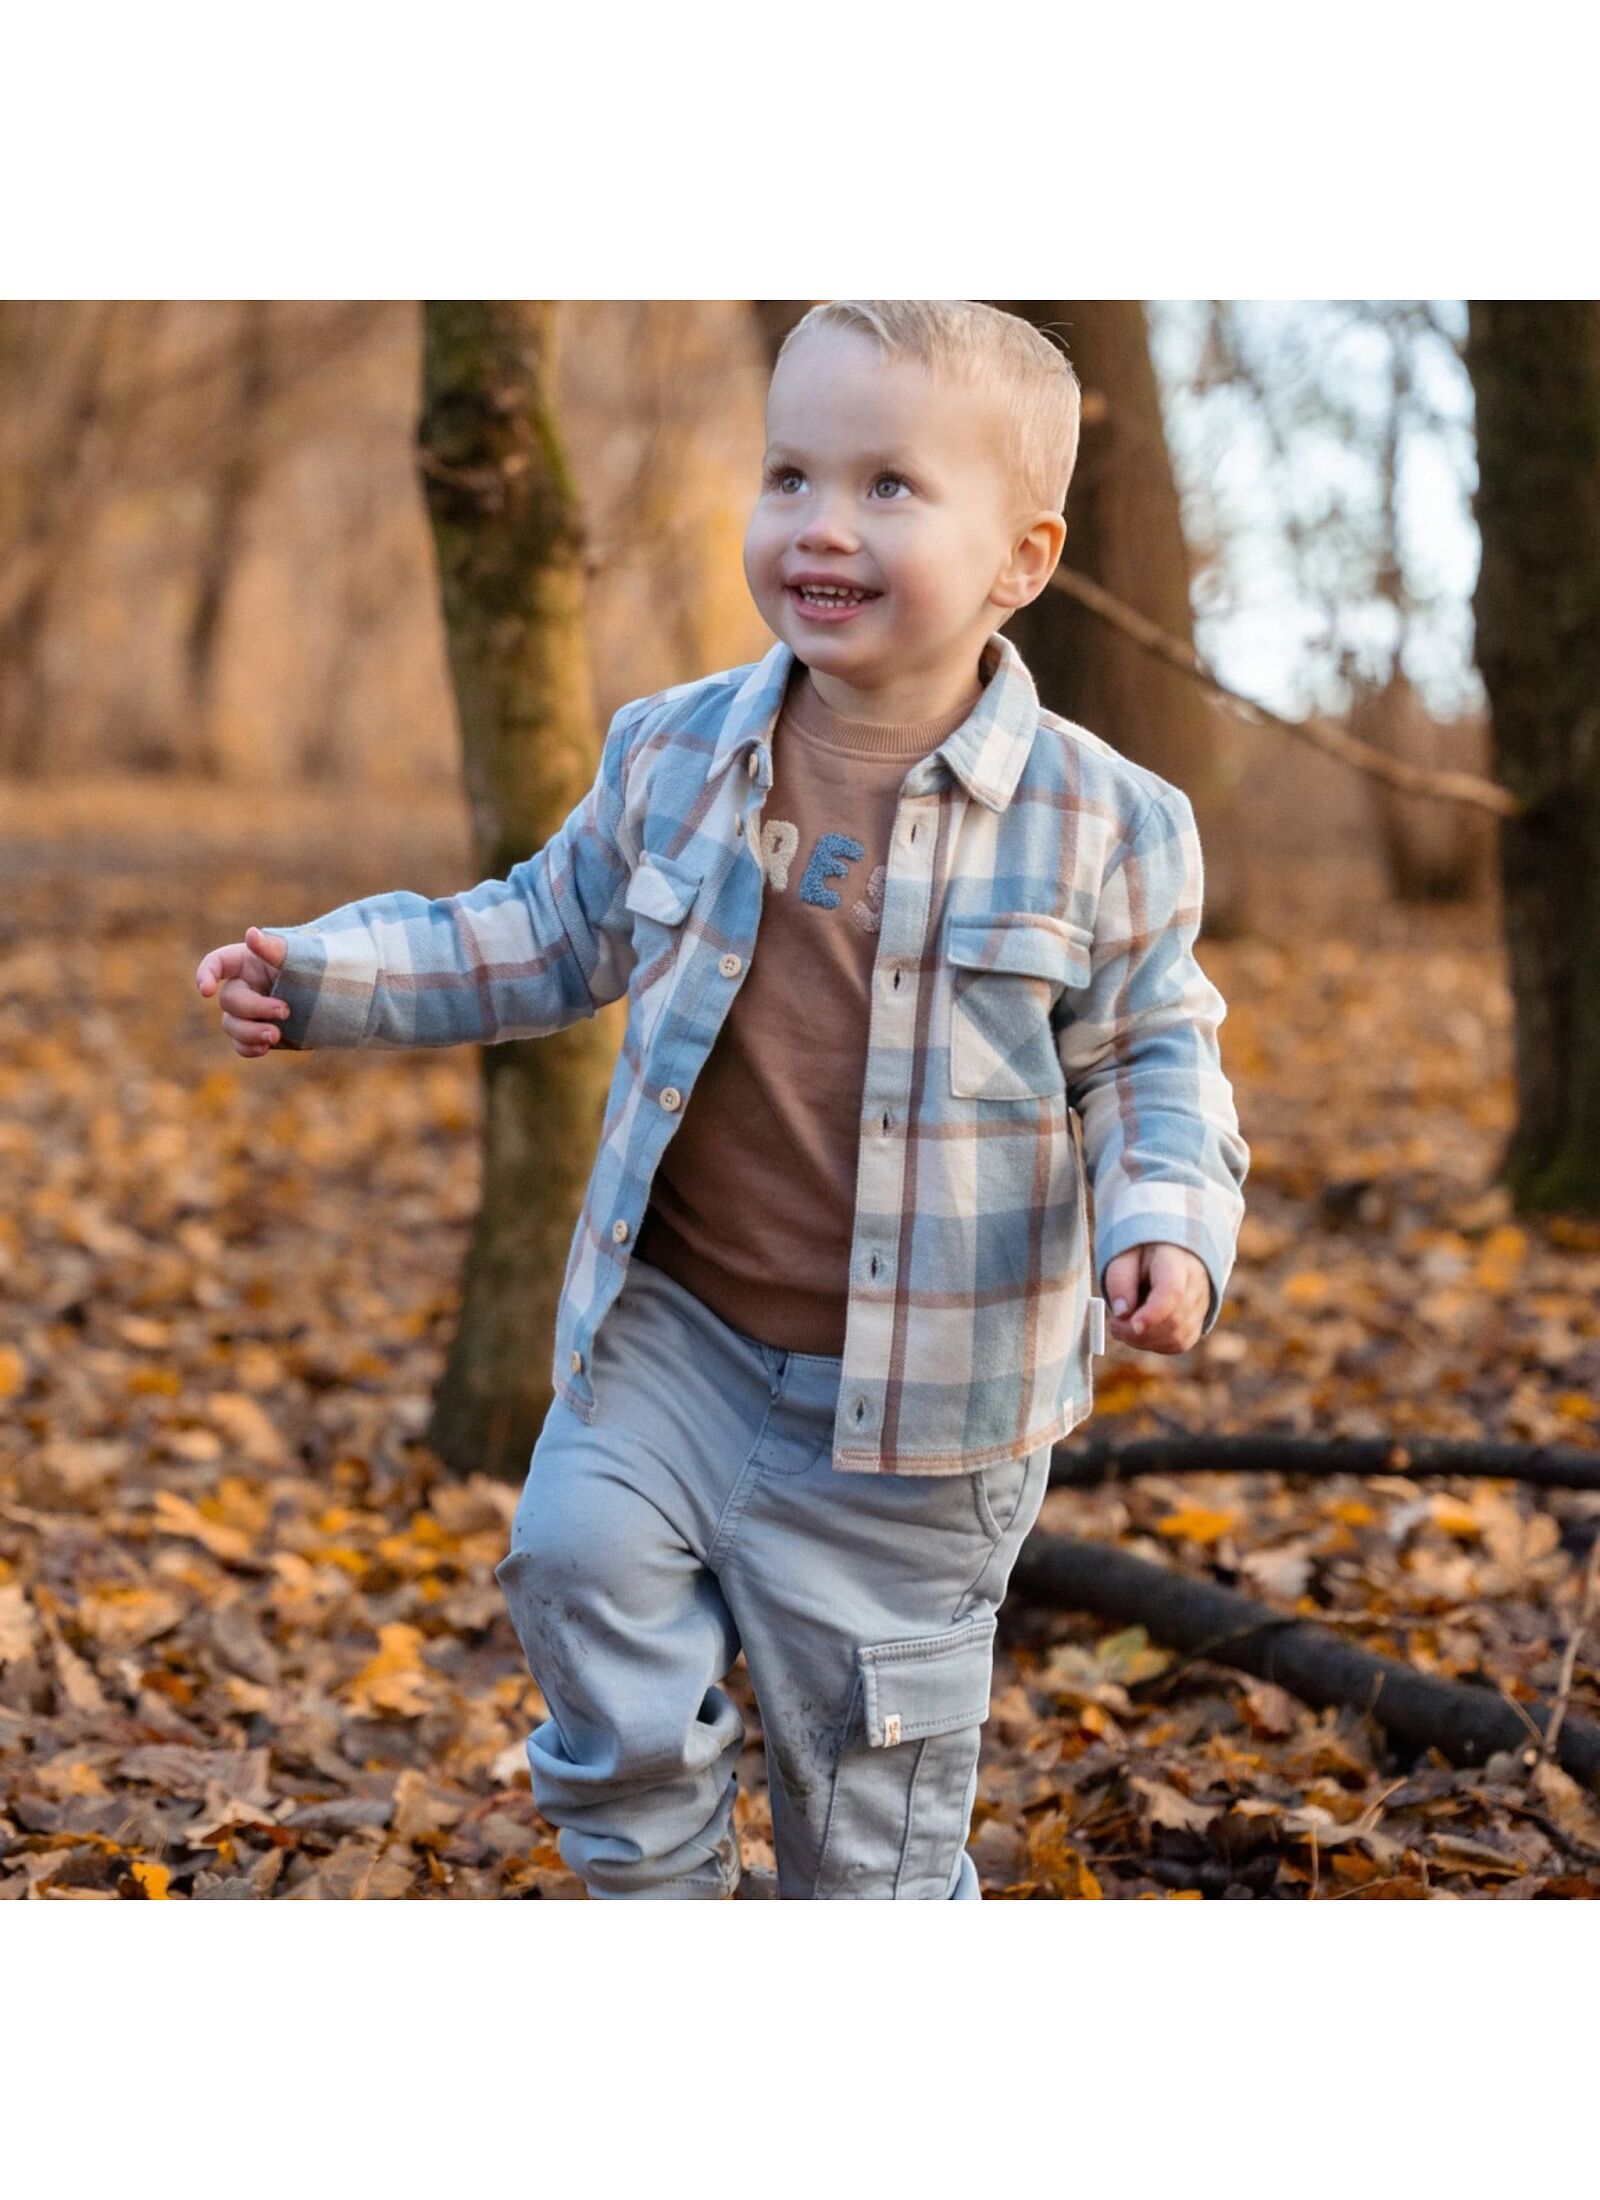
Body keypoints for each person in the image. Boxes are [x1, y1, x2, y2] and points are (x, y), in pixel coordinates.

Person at [195, 299, 1249, 1899]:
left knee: (870, 1826)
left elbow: (1151, 1053)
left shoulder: (1109, 822)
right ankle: (666, 1901)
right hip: (673, 1334)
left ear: (1022, 559)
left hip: (920, 1419)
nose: (821, 526)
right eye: (789, 476)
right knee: (572, 1559)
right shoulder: (675, 752)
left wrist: (1167, 1222)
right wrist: (331, 977)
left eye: (891, 487)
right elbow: (546, 929)